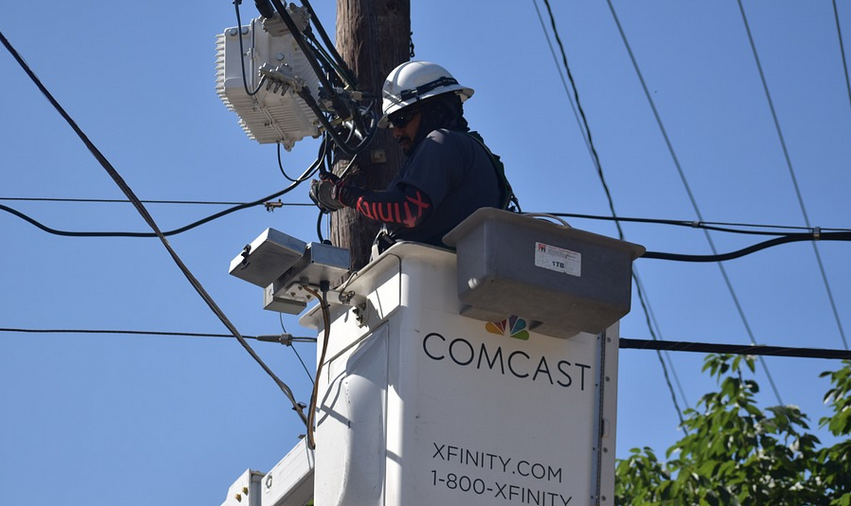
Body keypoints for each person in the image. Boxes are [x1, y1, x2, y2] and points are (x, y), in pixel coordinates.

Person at [310, 60, 516, 248]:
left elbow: (408, 212)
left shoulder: (442, 142)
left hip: (437, 280)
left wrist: (345, 195)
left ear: (433, 109)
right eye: (391, 124)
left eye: (401, 119)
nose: (396, 132)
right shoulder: (464, 150)